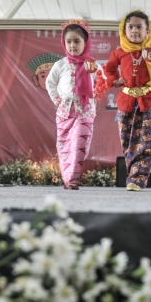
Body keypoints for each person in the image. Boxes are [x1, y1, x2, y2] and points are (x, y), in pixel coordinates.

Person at [104, 10, 151, 191]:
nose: (134, 30)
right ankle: (132, 174)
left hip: (149, 103)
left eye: (139, 27)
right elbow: (109, 70)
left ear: (147, 31)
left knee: (148, 142)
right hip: (126, 103)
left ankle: (137, 179)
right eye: (130, 27)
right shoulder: (118, 52)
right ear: (124, 31)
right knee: (128, 141)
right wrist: (115, 81)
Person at [46, 19, 97, 190]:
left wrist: (96, 93)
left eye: (77, 41)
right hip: (65, 112)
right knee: (65, 145)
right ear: (64, 43)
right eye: (69, 42)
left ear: (85, 42)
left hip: (85, 111)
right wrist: (56, 98)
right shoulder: (60, 64)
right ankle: (68, 179)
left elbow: (102, 81)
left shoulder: (92, 64)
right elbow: (50, 83)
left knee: (80, 143)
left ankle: (74, 177)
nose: (73, 45)